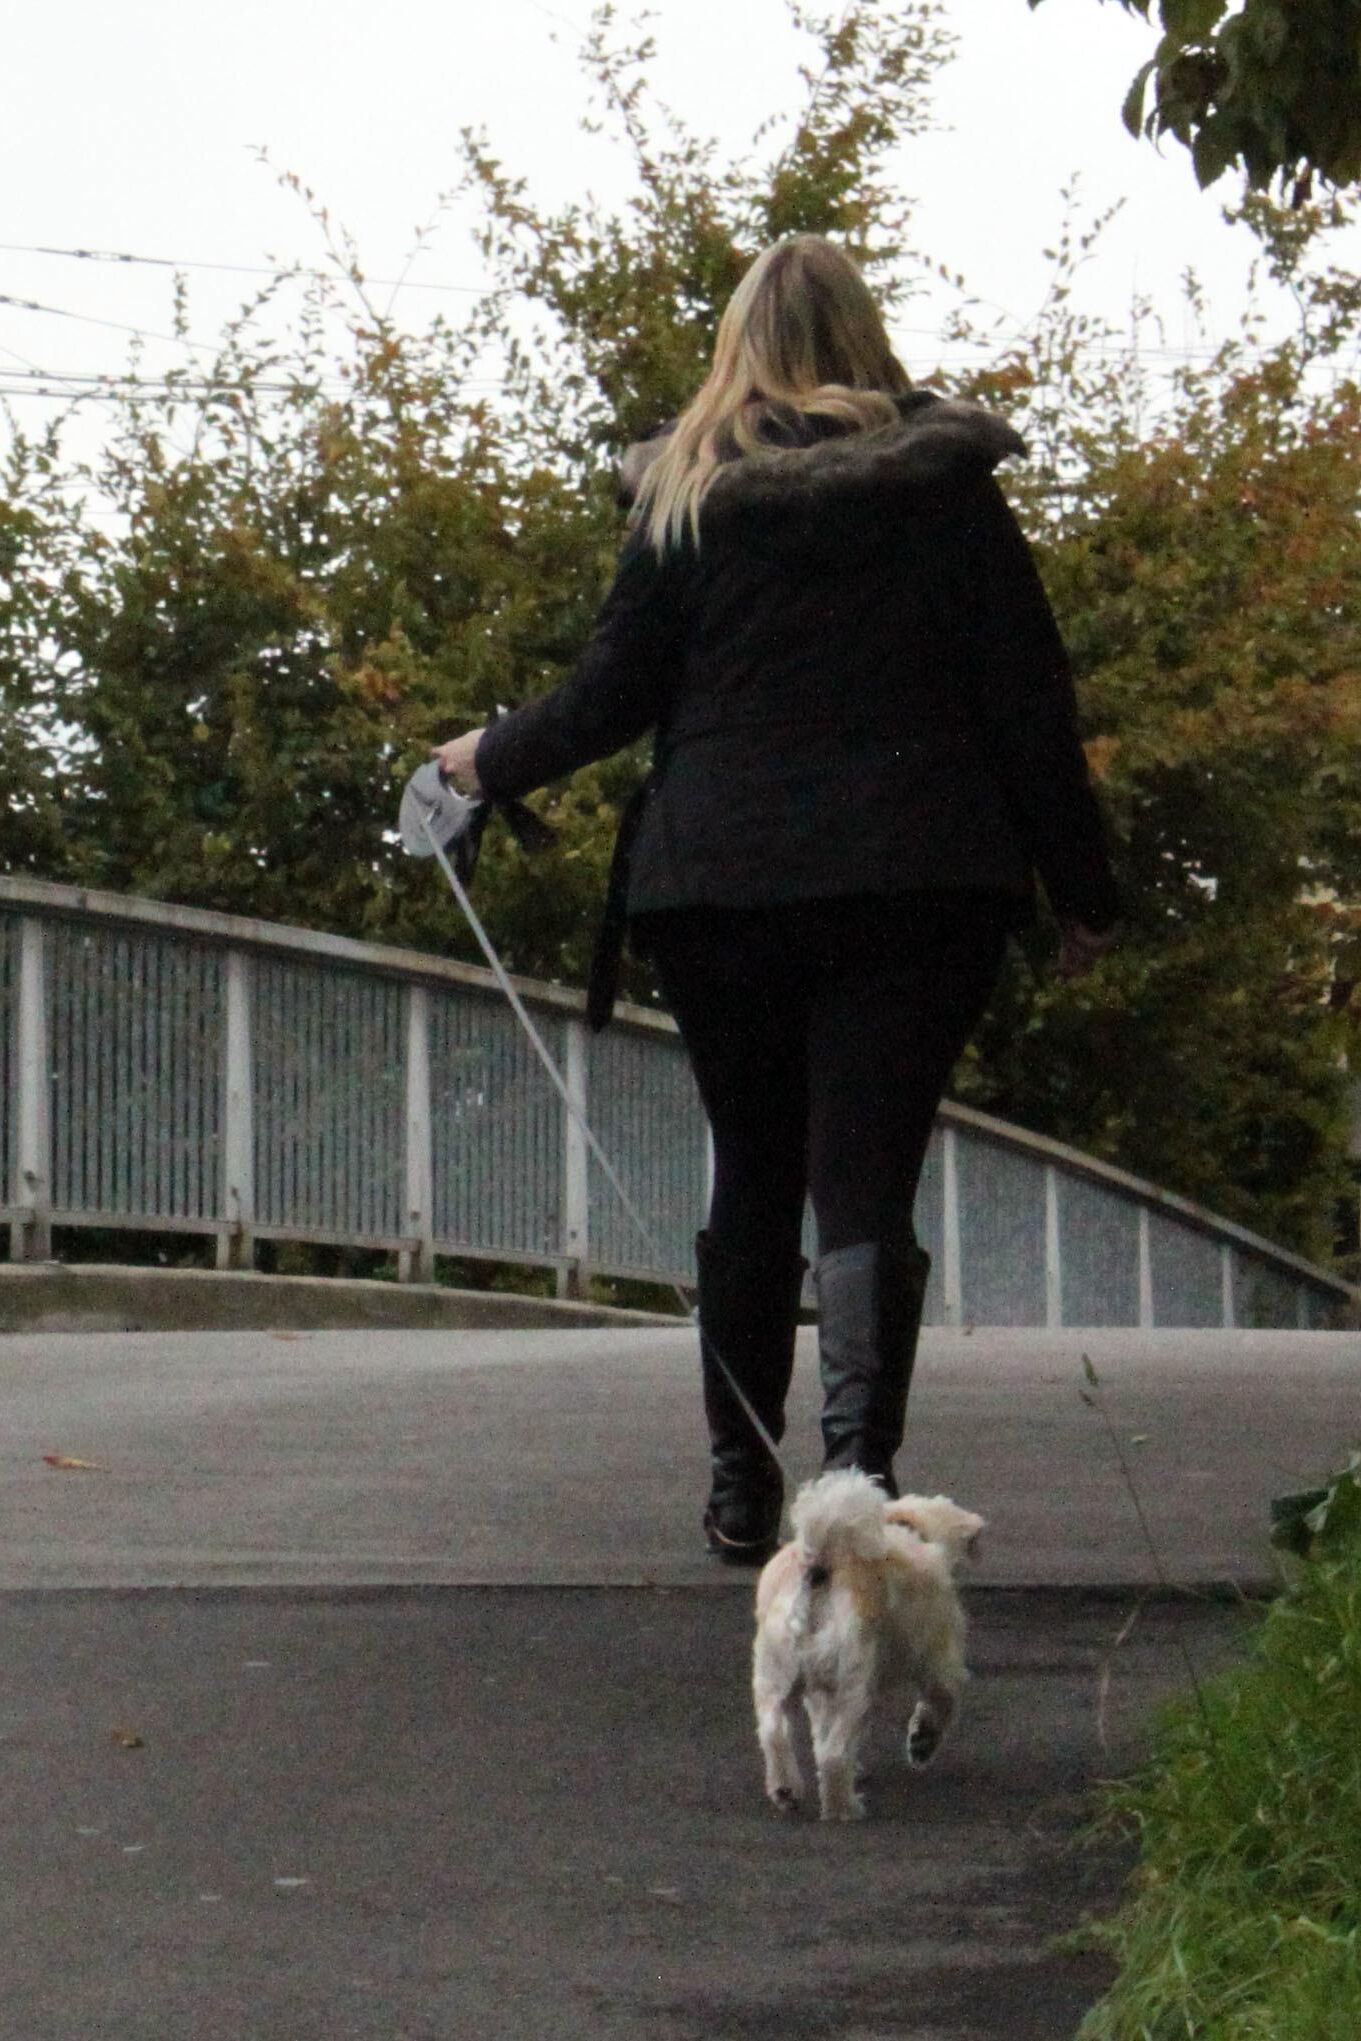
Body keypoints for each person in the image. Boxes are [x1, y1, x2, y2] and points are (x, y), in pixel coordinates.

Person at [433, 234, 1120, 1565]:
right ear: (863, 336)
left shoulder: (686, 493)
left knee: (752, 1172)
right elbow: (1027, 702)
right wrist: (1080, 894)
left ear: (737, 343)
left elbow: (612, 692)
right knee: (865, 1174)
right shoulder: (944, 494)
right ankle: (857, 1475)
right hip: (918, 879)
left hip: (722, 885)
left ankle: (740, 1483)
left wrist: (485, 754)